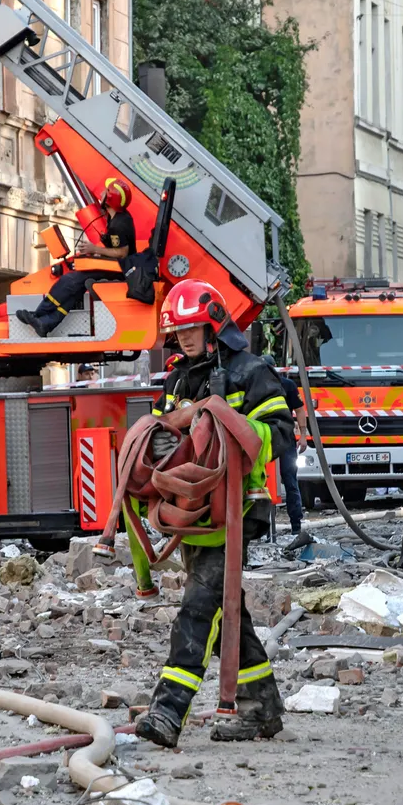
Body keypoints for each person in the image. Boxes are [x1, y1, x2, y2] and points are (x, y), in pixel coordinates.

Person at [133, 279, 294, 747]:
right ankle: (262, 707)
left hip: (236, 509)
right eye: (177, 331)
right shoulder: (179, 378)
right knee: (227, 610)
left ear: (215, 325)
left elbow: (281, 432)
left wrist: (231, 432)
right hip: (191, 511)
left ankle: (167, 711)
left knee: (198, 608)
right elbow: (163, 436)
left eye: (192, 328)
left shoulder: (250, 371)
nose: (183, 338)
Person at [16, 180, 136, 337]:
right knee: (75, 289)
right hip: (116, 269)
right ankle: (45, 323)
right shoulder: (117, 218)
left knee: (69, 281)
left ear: (110, 198)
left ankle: (38, 314)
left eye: (105, 191)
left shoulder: (118, 224)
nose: (101, 194)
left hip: (117, 272)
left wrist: (95, 249)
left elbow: (122, 252)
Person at [263, 354, 307, 534]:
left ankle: (296, 526)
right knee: (262, 483)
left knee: (290, 481)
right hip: (265, 440)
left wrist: (303, 435)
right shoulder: (255, 386)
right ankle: (264, 527)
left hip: (284, 440)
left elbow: (299, 410)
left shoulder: (287, 385)